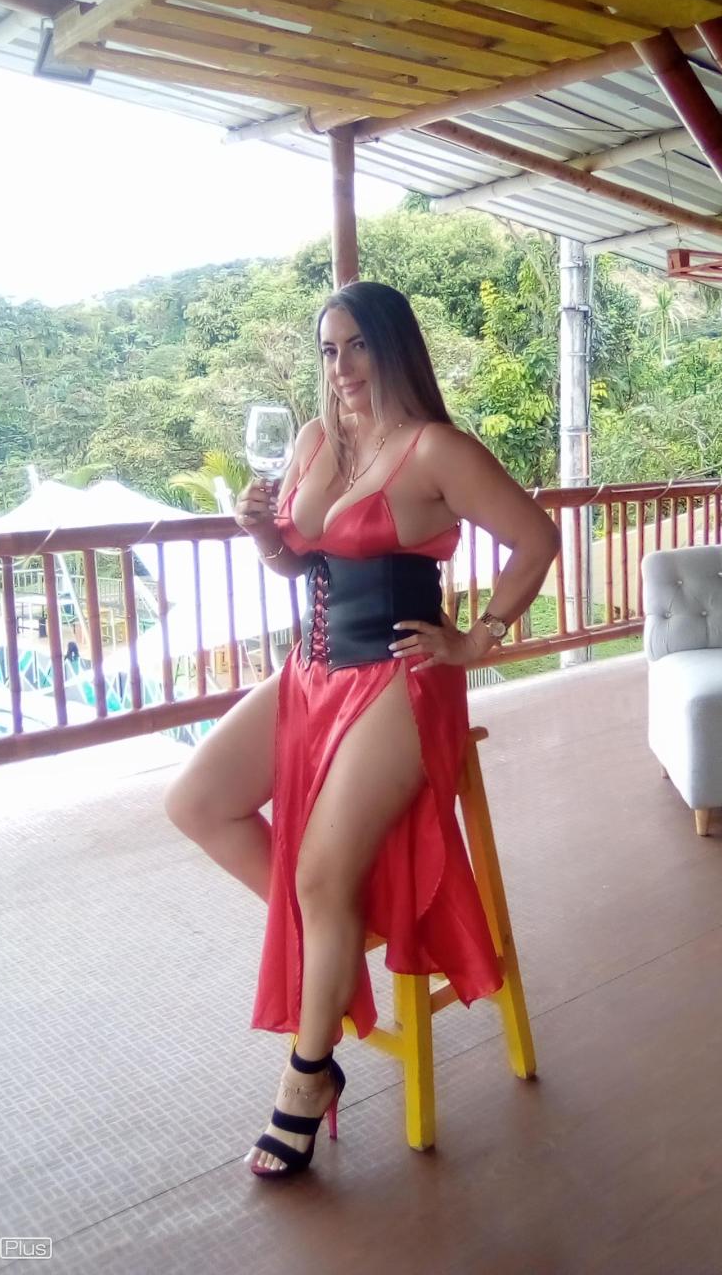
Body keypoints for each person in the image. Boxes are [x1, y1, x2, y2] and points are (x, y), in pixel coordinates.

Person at [164, 281, 559, 1179]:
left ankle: (309, 1074)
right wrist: (262, 534)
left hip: (402, 677)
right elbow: (295, 562)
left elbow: (536, 540)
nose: (339, 367)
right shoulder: (317, 440)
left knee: (318, 874)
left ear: (392, 346)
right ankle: (332, 938)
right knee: (198, 801)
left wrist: (477, 640)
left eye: (356, 346)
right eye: (327, 349)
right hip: (311, 670)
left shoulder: (438, 450)